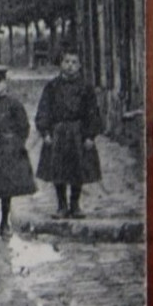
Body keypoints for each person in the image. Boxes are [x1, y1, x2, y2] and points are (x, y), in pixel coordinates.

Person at [35, 50, 103, 219]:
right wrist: (45, 132)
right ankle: (61, 205)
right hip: (58, 133)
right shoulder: (52, 87)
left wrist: (90, 136)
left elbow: (93, 113)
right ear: (61, 64)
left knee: (77, 170)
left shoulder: (86, 88)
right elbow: (44, 110)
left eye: (74, 62)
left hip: (78, 133)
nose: (70, 66)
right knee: (58, 170)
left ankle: (75, 204)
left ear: (79, 66)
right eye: (66, 61)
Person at [0, 65, 38, 238]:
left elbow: (23, 127)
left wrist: (16, 144)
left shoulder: (14, 104)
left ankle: (5, 221)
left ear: (5, 83)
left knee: (6, 189)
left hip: (7, 151)